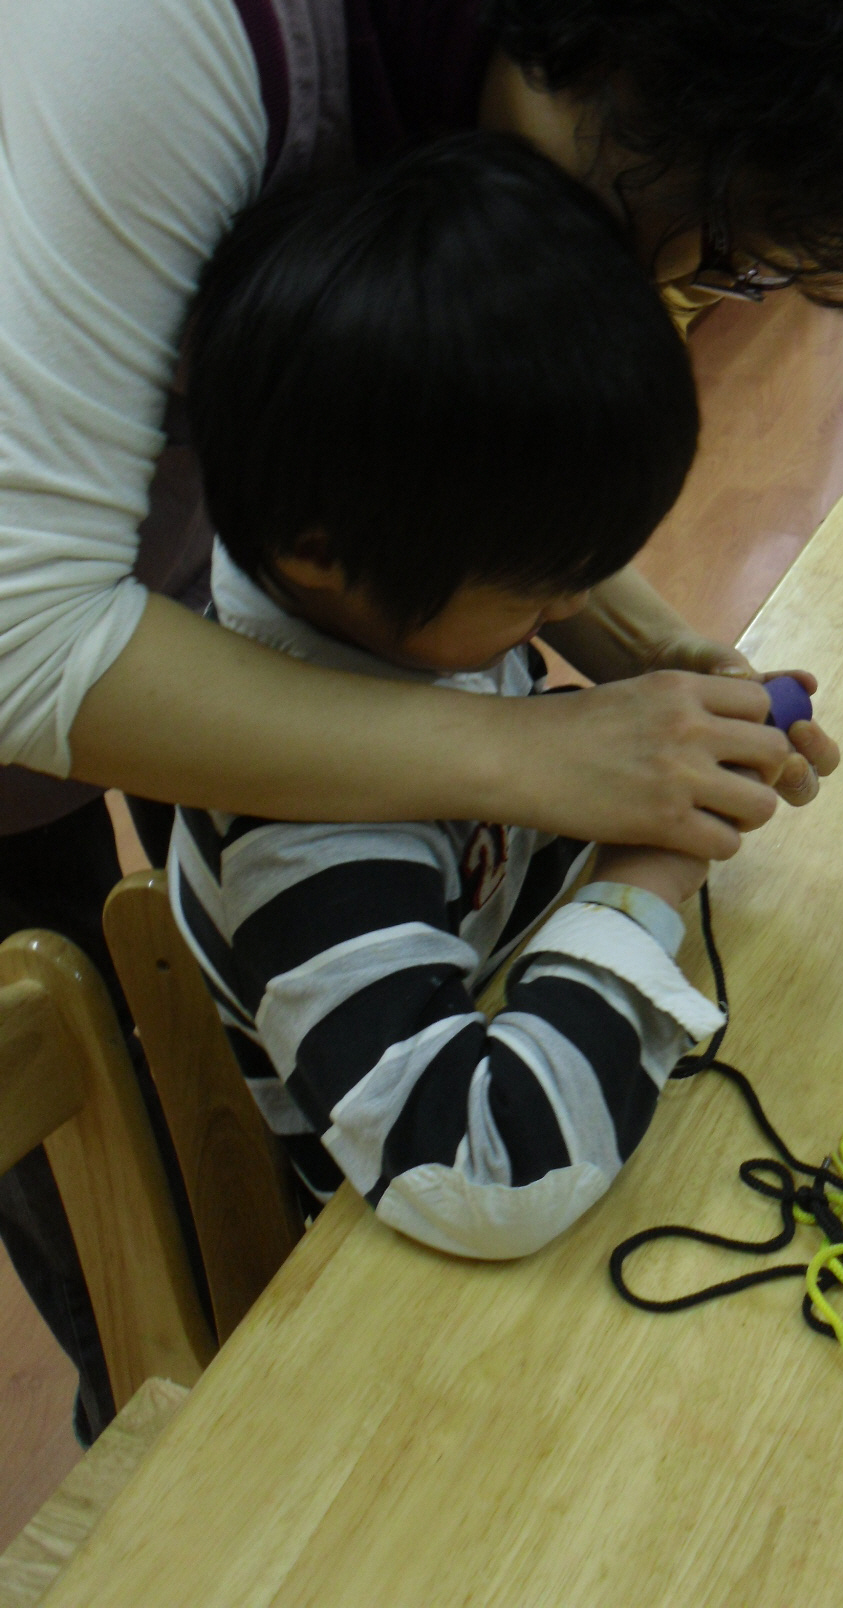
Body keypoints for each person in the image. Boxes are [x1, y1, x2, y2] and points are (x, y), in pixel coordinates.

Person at [0, 0, 843, 1422]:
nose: (680, 289)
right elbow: (28, 642)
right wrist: (552, 766)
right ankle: (166, 1432)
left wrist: (606, 627)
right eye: (703, 247)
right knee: (86, 1108)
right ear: (630, 99)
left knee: (151, 993)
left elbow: (366, 466)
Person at [165, 135, 752, 1256]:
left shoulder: (409, 624)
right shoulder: (297, 835)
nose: (577, 606)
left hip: (497, 1012)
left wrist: (669, 752)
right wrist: (646, 872)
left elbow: (508, 864)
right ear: (319, 552)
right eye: (537, 592)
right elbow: (484, 1171)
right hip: (356, 1274)